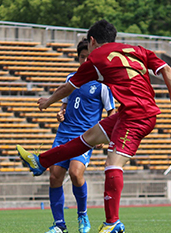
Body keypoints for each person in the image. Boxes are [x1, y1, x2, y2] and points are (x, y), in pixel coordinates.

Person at [17, 19, 171, 233]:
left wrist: (48, 102)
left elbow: (68, 87)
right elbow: (167, 71)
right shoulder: (137, 50)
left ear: (92, 41)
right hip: (130, 112)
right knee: (86, 138)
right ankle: (40, 161)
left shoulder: (97, 57)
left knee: (112, 164)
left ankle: (112, 222)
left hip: (137, 116)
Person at [45, 38, 115, 233]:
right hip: (63, 134)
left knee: (76, 173)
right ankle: (59, 225)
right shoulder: (71, 79)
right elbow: (64, 104)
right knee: (54, 177)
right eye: (81, 57)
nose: (85, 61)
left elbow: (111, 112)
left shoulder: (102, 84)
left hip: (85, 137)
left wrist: (104, 133)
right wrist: (60, 112)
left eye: (88, 57)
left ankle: (82, 214)